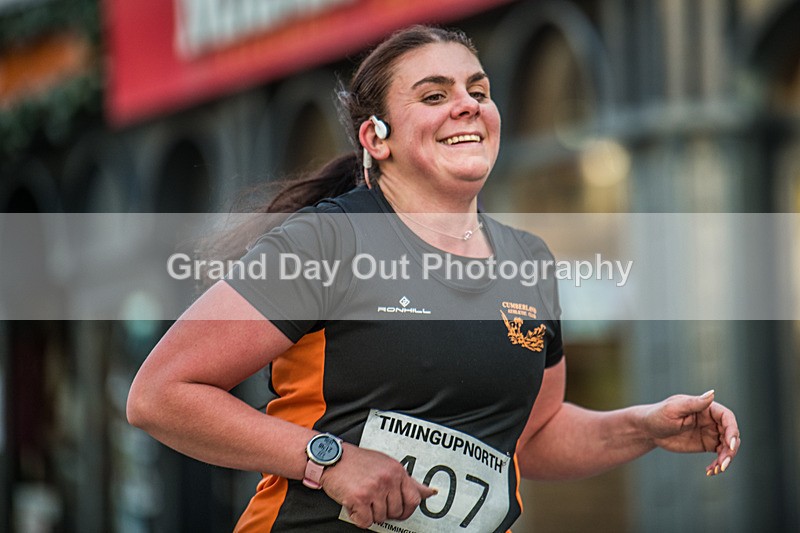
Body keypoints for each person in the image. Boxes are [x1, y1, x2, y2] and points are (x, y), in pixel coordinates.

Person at [127, 25, 740, 532]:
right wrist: (330, 461)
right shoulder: (329, 241)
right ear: (377, 138)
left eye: (479, 89)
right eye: (433, 95)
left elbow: (531, 437)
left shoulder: (529, 261)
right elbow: (160, 394)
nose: (467, 104)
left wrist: (644, 426)